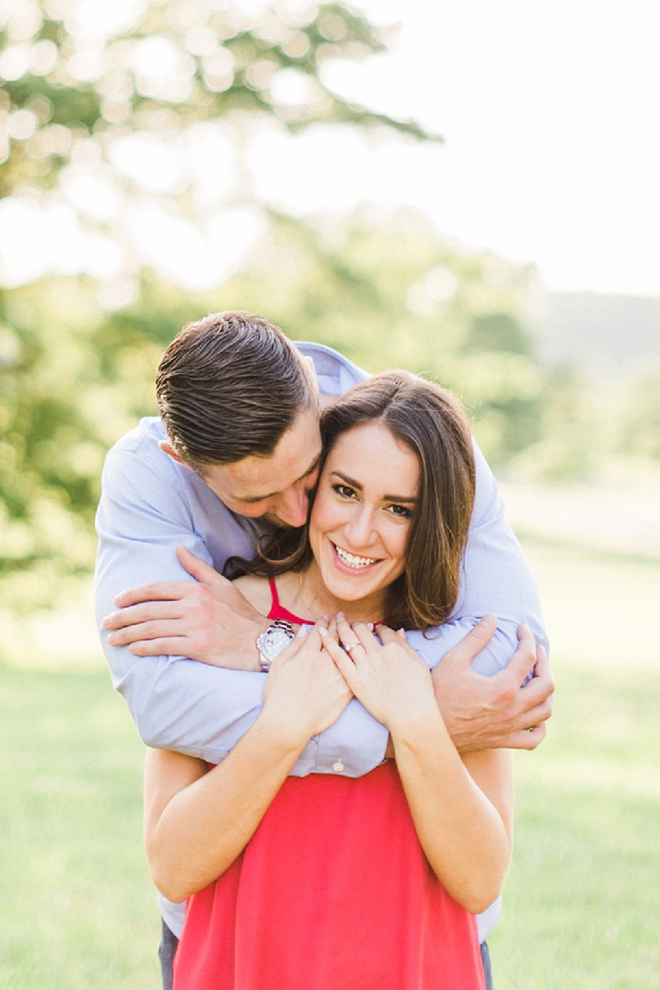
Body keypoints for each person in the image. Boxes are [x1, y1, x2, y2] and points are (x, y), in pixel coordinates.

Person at [95, 312, 551, 989]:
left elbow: (481, 879)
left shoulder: (445, 657)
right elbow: (173, 864)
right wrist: (286, 721)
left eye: (400, 508)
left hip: (414, 964)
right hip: (248, 963)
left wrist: (418, 720)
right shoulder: (221, 615)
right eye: (341, 490)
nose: (357, 528)